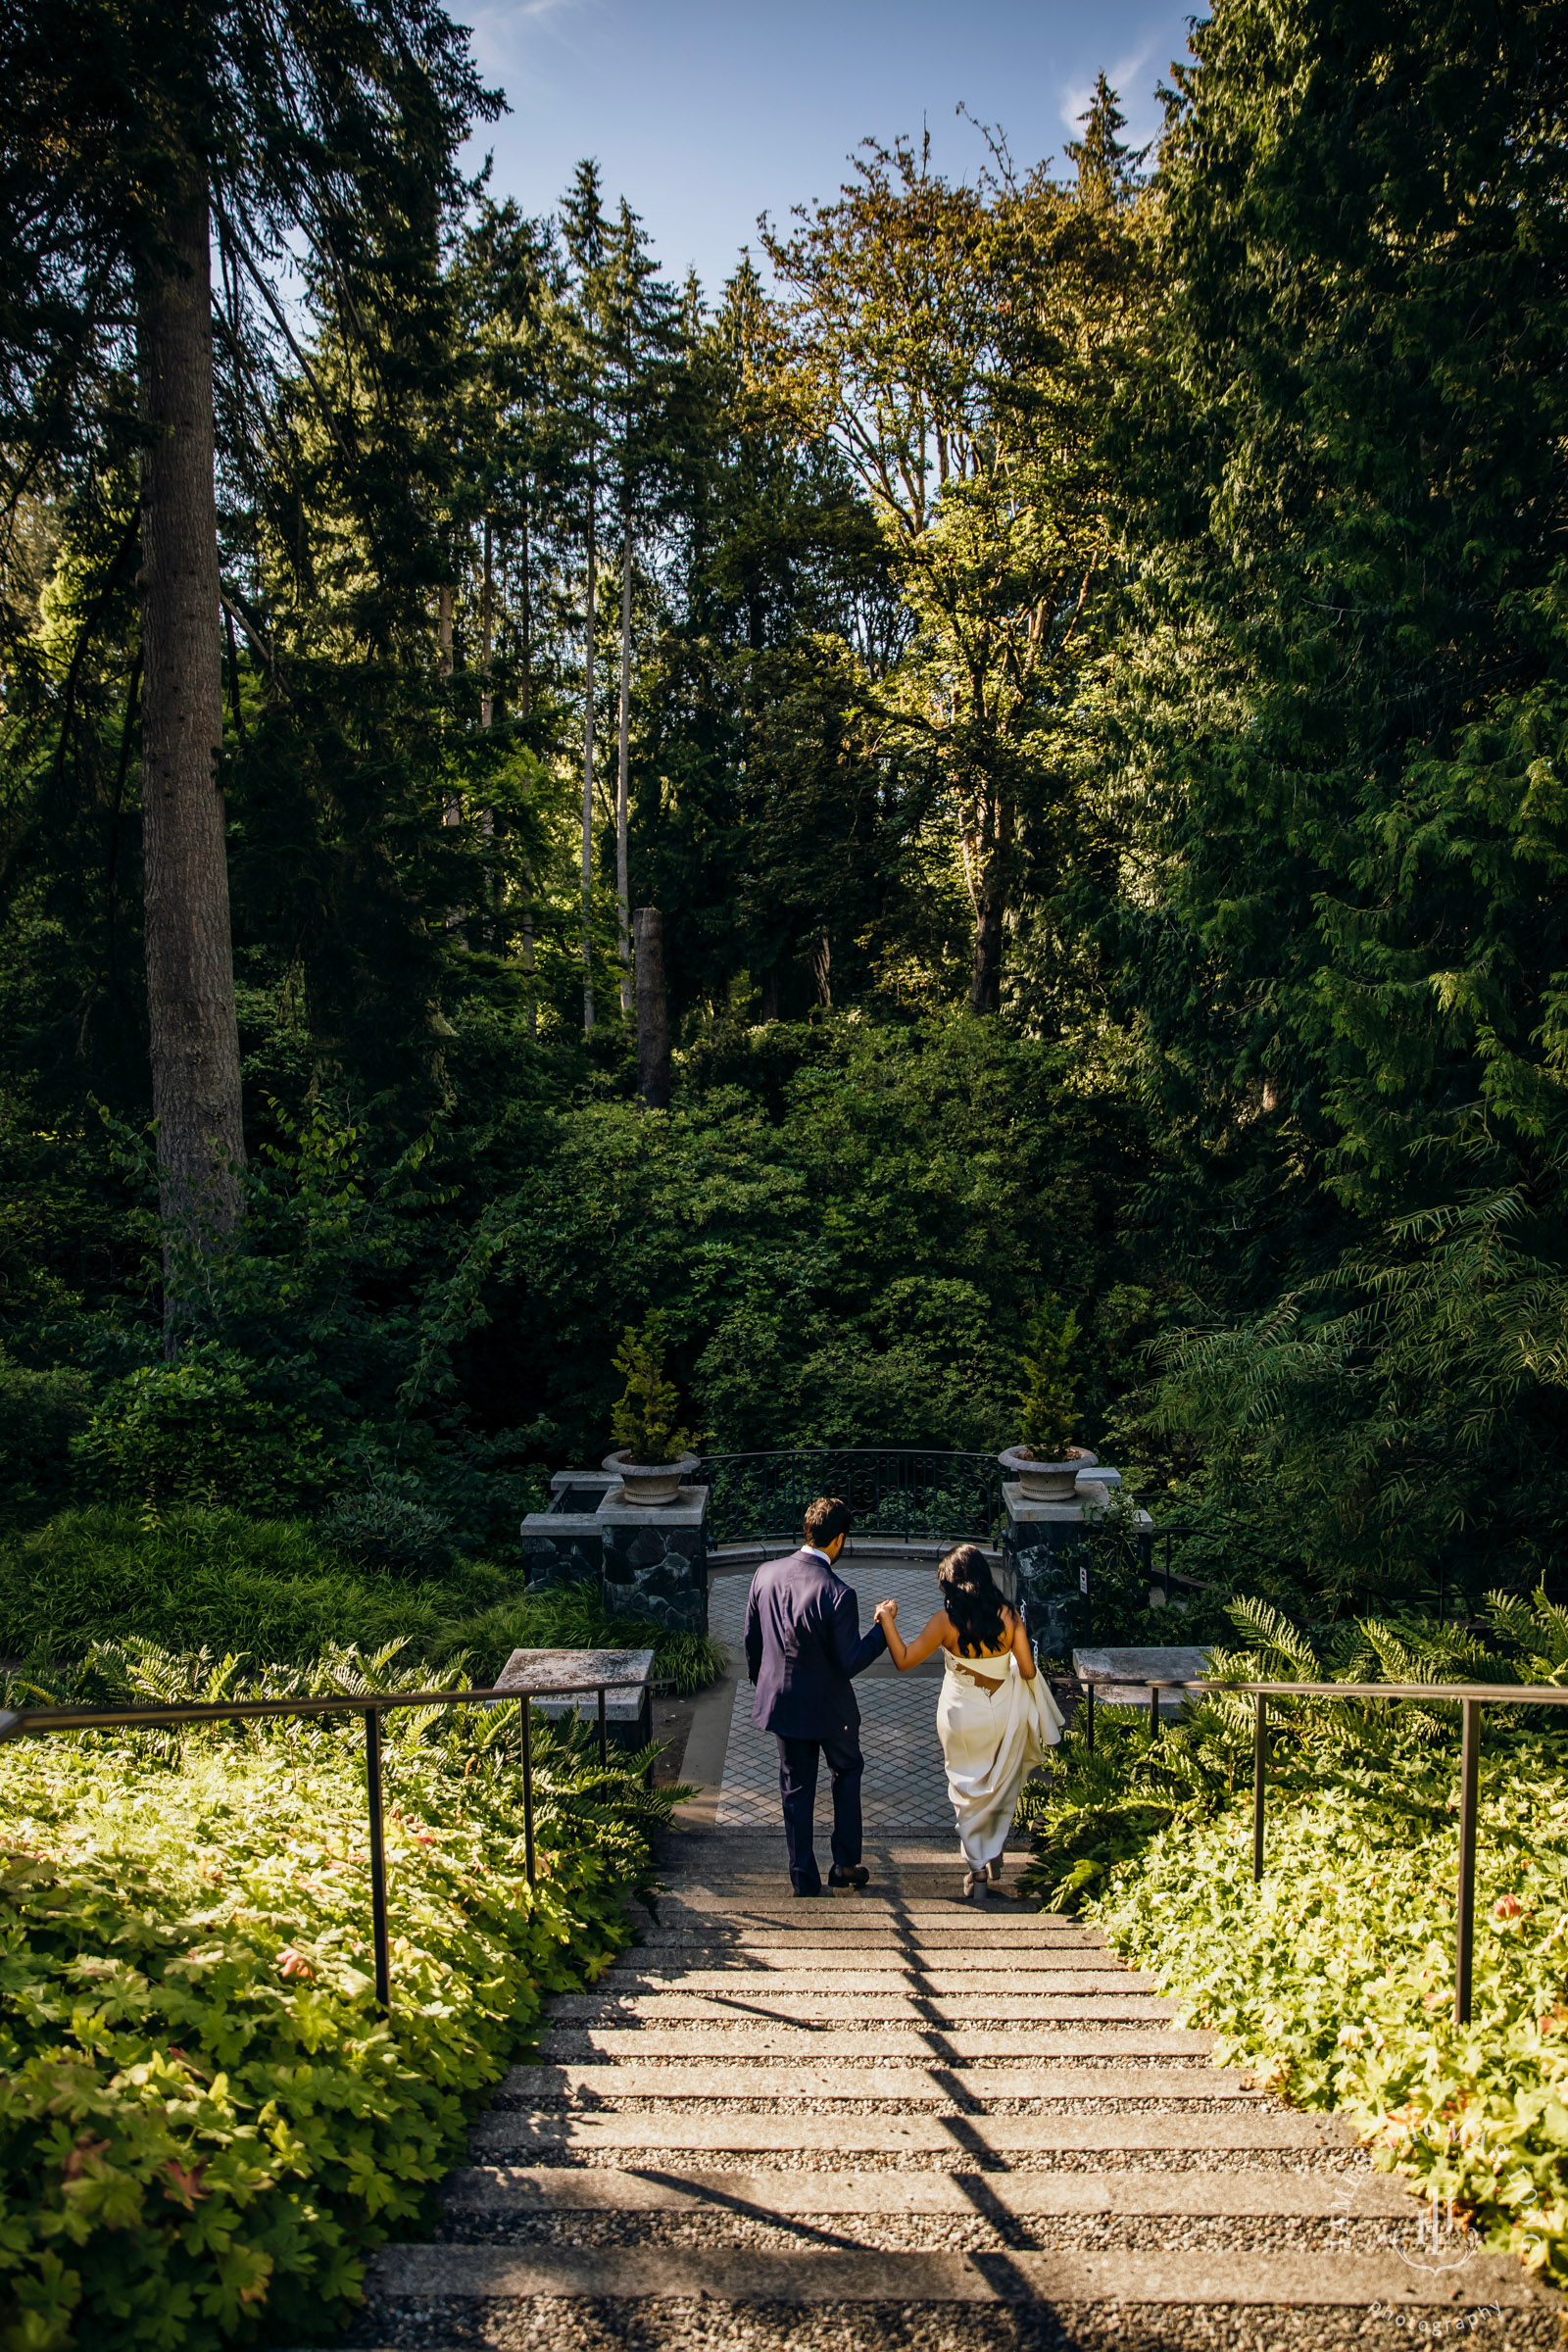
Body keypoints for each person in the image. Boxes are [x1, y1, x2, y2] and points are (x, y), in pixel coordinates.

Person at [875, 1544, 1063, 1901]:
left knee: (966, 1792)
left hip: (959, 1715)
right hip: (1001, 1713)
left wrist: (887, 1619)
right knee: (995, 1784)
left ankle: (978, 1870)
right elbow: (1026, 1670)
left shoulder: (944, 1623)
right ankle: (990, 1855)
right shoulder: (1008, 1616)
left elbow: (902, 1660)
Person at [743, 1494, 889, 1896]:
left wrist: (766, 1686)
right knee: (846, 1772)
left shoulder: (764, 1574)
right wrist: (882, 1630)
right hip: (830, 1709)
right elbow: (850, 1661)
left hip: (783, 1705)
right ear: (839, 1540)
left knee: (795, 1787)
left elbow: (752, 1642)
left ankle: (802, 1878)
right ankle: (844, 1864)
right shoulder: (839, 1593)